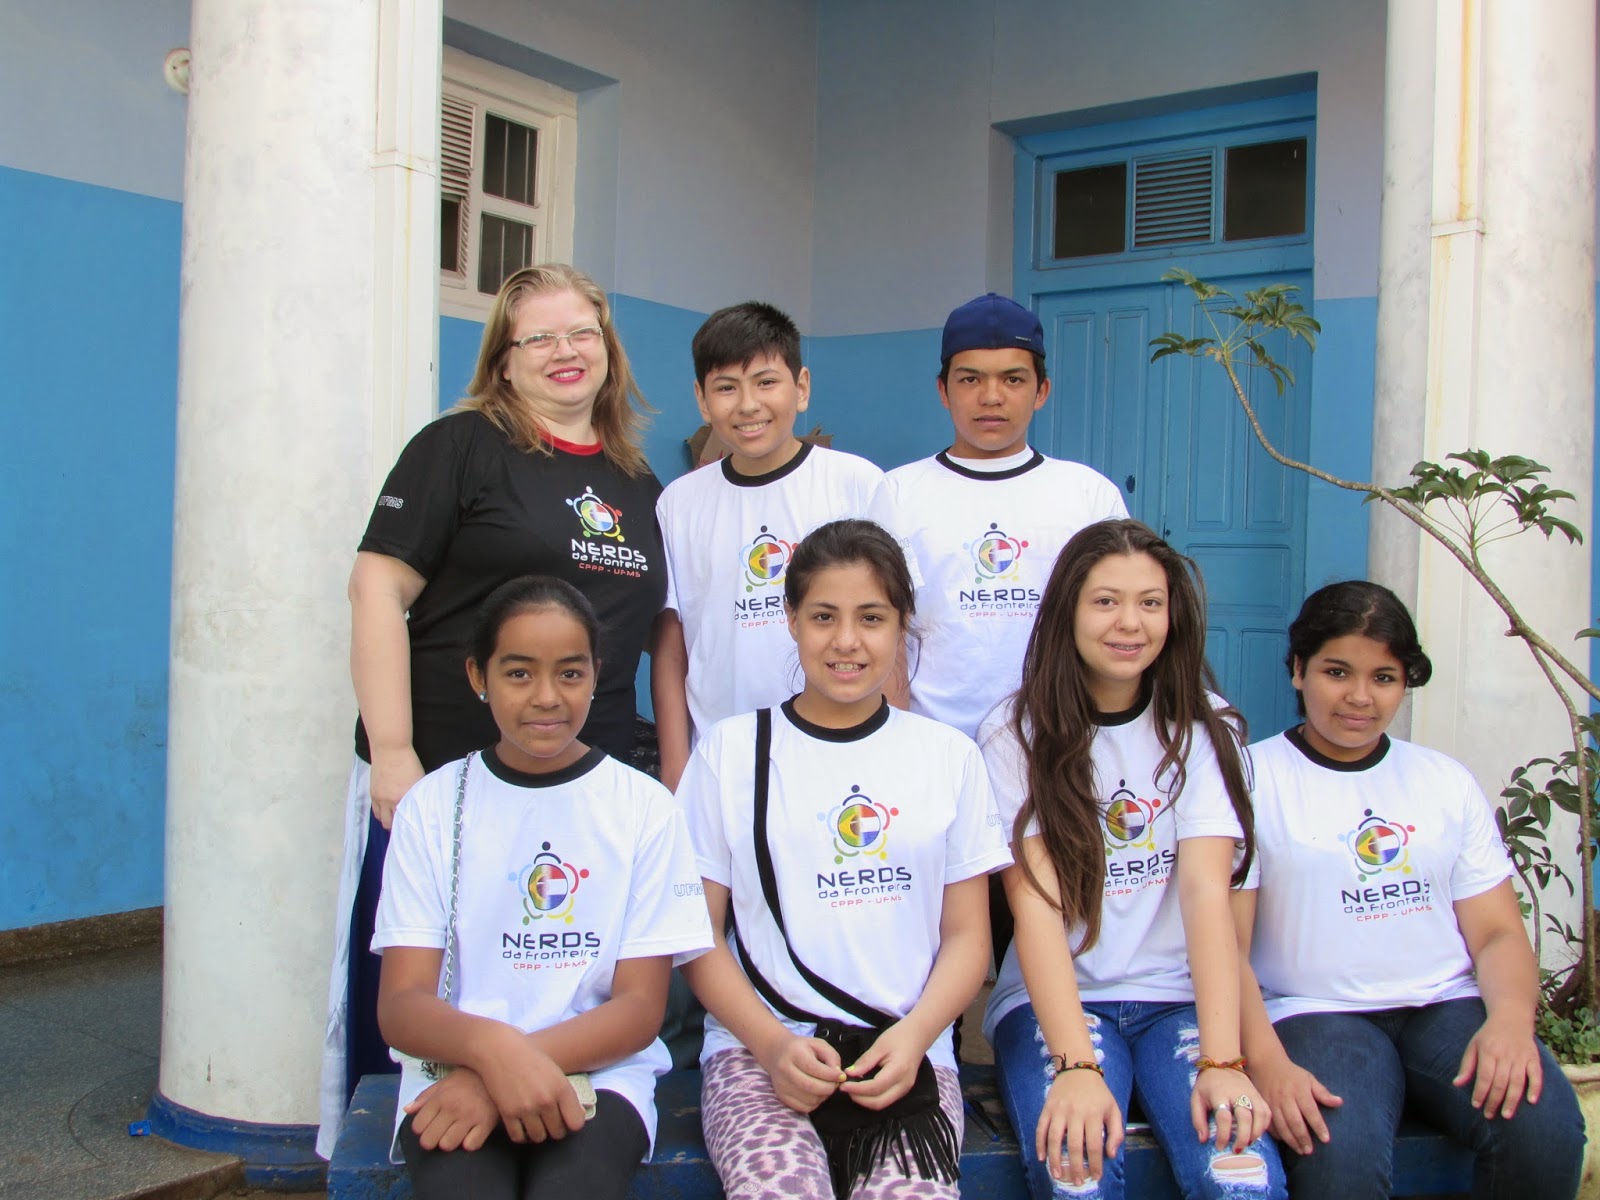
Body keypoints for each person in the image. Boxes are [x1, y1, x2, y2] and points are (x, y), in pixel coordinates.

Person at [318, 264, 668, 1155]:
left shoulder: (637, 482)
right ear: (504, 362)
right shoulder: (461, 446)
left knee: (562, 988)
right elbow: (375, 586)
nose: (564, 352)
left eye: (582, 333)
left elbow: (645, 638)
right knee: (420, 1004)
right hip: (448, 784)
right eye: (538, 337)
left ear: (609, 351)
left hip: (584, 796)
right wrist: (393, 750)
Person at [677, 519, 1011, 1200]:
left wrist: (917, 1037)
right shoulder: (730, 754)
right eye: (824, 616)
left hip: (907, 1056)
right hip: (757, 1053)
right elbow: (697, 936)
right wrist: (771, 1046)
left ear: (901, 626)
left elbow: (969, 936)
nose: (848, 641)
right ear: (791, 620)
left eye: (872, 617)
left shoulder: (948, 757)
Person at [1237, 580, 1584, 1200]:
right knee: (1338, 1164)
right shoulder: (1251, 778)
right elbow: (1222, 947)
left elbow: (1498, 930)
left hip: (1445, 1008)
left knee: (1546, 1131)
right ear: (1297, 670)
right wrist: (1264, 1061)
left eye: (1385, 677)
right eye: (1336, 672)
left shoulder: (1440, 781)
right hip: (1313, 1012)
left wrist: (1509, 1020)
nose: (1360, 698)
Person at [372, 576, 712, 1199]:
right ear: (479, 676)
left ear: (597, 674)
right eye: (519, 673)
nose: (547, 698)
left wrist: (504, 1070)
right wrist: (490, 1057)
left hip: (601, 1077)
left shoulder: (644, 808)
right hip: (453, 1072)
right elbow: (401, 1005)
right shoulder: (433, 806)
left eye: (570, 674)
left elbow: (639, 1010)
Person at [981, 518, 1286, 1200]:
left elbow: (1209, 896)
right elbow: (1035, 907)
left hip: (1180, 1001)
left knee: (1243, 1179)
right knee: (1076, 1173)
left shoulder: (1209, 726)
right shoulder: (1013, 731)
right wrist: (1075, 1066)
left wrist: (1223, 1058)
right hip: (1058, 1002)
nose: (1130, 623)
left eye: (1150, 602)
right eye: (1106, 601)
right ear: (1068, 610)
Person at [869, 292, 1126, 741]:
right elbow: (885, 624)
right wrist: (898, 741)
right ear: (943, 390)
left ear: (1041, 391)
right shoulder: (898, 493)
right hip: (935, 743)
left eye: (1013, 379)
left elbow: (1115, 623)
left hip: (1058, 741)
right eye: (970, 379)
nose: (991, 397)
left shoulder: (1088, 495)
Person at [652, 302, 885, 793]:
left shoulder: (858, 485)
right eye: (726, 388)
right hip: (720, 762)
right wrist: (676, 767)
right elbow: (671, 646)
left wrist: (894, 743)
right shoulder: (679, 503)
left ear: (801, 388)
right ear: (701, 399)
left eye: (765, 382)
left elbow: (895, 629)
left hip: (841, 753)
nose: (748, 404)